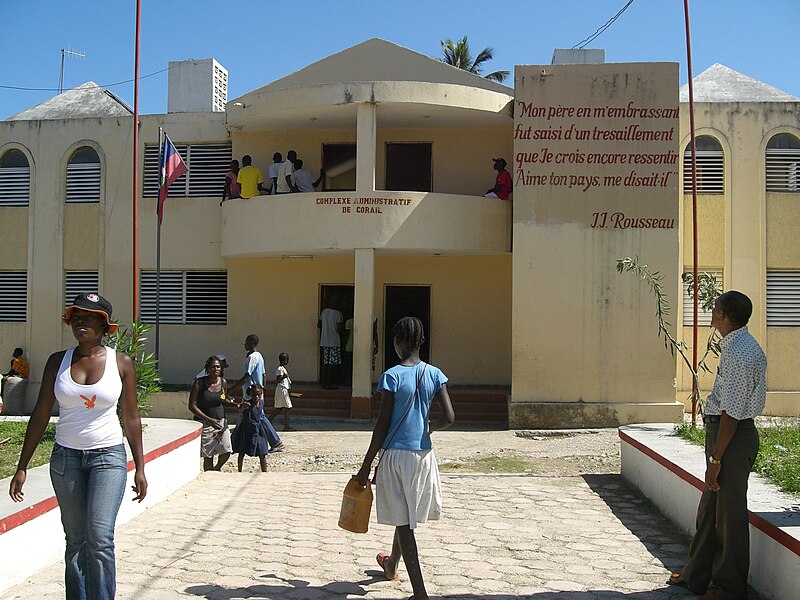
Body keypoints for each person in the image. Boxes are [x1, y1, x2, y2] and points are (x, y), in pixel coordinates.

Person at [8, 292, 147, 600]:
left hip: (108, 458)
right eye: (76, 317)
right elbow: (41, 412)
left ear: (105, 324)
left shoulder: (121, 363)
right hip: (66, 459)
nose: (81, 322)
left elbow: (131, 416)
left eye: (89, 317)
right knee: (75, 540)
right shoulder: (57, 361)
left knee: (99, 538)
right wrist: (22, 466)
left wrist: (140, 466)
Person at [668, 291, 766, 600]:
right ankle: (697, 574)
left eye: (714, 309)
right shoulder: (736, 346)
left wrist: (717, 459)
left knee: (729, 515)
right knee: (710, 509)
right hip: (724, 435)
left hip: (732, 439)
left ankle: (728, 588)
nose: (711, 313)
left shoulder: (740, 354)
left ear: (724, 316)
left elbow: (732, 413)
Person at [356, 316, 455, 600]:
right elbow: (449, 417)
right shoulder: (436, 374)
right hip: (424, 456)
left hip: (396, 456)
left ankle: (420, 594)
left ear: (397, 343)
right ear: (422, 341)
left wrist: (365, 466)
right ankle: (390, 565)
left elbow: (382, 425)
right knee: (406, 518)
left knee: (403, 522)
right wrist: (430, 427)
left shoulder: (392, 376)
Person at [228, 334, 285, 452]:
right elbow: (264, 375)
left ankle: (276, 442)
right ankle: (234, 443)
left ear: (252, 343)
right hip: (257, 393)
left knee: (258, 417)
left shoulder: (252, 358)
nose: (244, 344)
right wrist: (263, 390)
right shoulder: (259, 356)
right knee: (247, 417)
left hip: (252, 395)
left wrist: (231, 389)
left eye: (246, 342)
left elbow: (246, 376)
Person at [188, 355, 241, 471]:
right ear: (207, 369)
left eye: (218, 367)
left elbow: (222, 399)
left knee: (227, 450)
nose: (216, 369)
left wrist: (235, 405)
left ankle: (216, 469)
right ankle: (209, 473)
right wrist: (208, 420)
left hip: (221, 422)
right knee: (209, 455)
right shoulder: (199, 383)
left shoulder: (223, 382)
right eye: (213, 367)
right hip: (206, 424)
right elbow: (192, 406)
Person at [230, 384, 272, 472]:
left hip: (258, 430)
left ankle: (265, 471)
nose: (256, 397)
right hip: (246, 430)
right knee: (242, 451)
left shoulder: (261, 403)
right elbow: (240, 408)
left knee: (262, 451)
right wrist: (241, 406)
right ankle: (239, 470)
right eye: (254, 395)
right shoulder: (247, 404)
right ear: (250, 394)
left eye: (258, 395)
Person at [318, 296, 344, 389]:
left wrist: (326, 328)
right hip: (334, 341)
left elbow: (319, 325)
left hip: (324, 341)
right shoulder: (338, 314)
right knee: (332, 363)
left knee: (325, 362)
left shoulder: (324, 312)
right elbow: (339, 329)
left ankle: (323, 382)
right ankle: (329, 383)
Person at [269, 352, 295, 431]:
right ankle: (286, 427)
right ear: (285, 360)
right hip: (282, 389)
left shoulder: (283, 368)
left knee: (279, 408)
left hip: (283, 389)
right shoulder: (280, 369)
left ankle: (267, 422)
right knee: (287, 408)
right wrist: (284, 376)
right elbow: (277, 381)